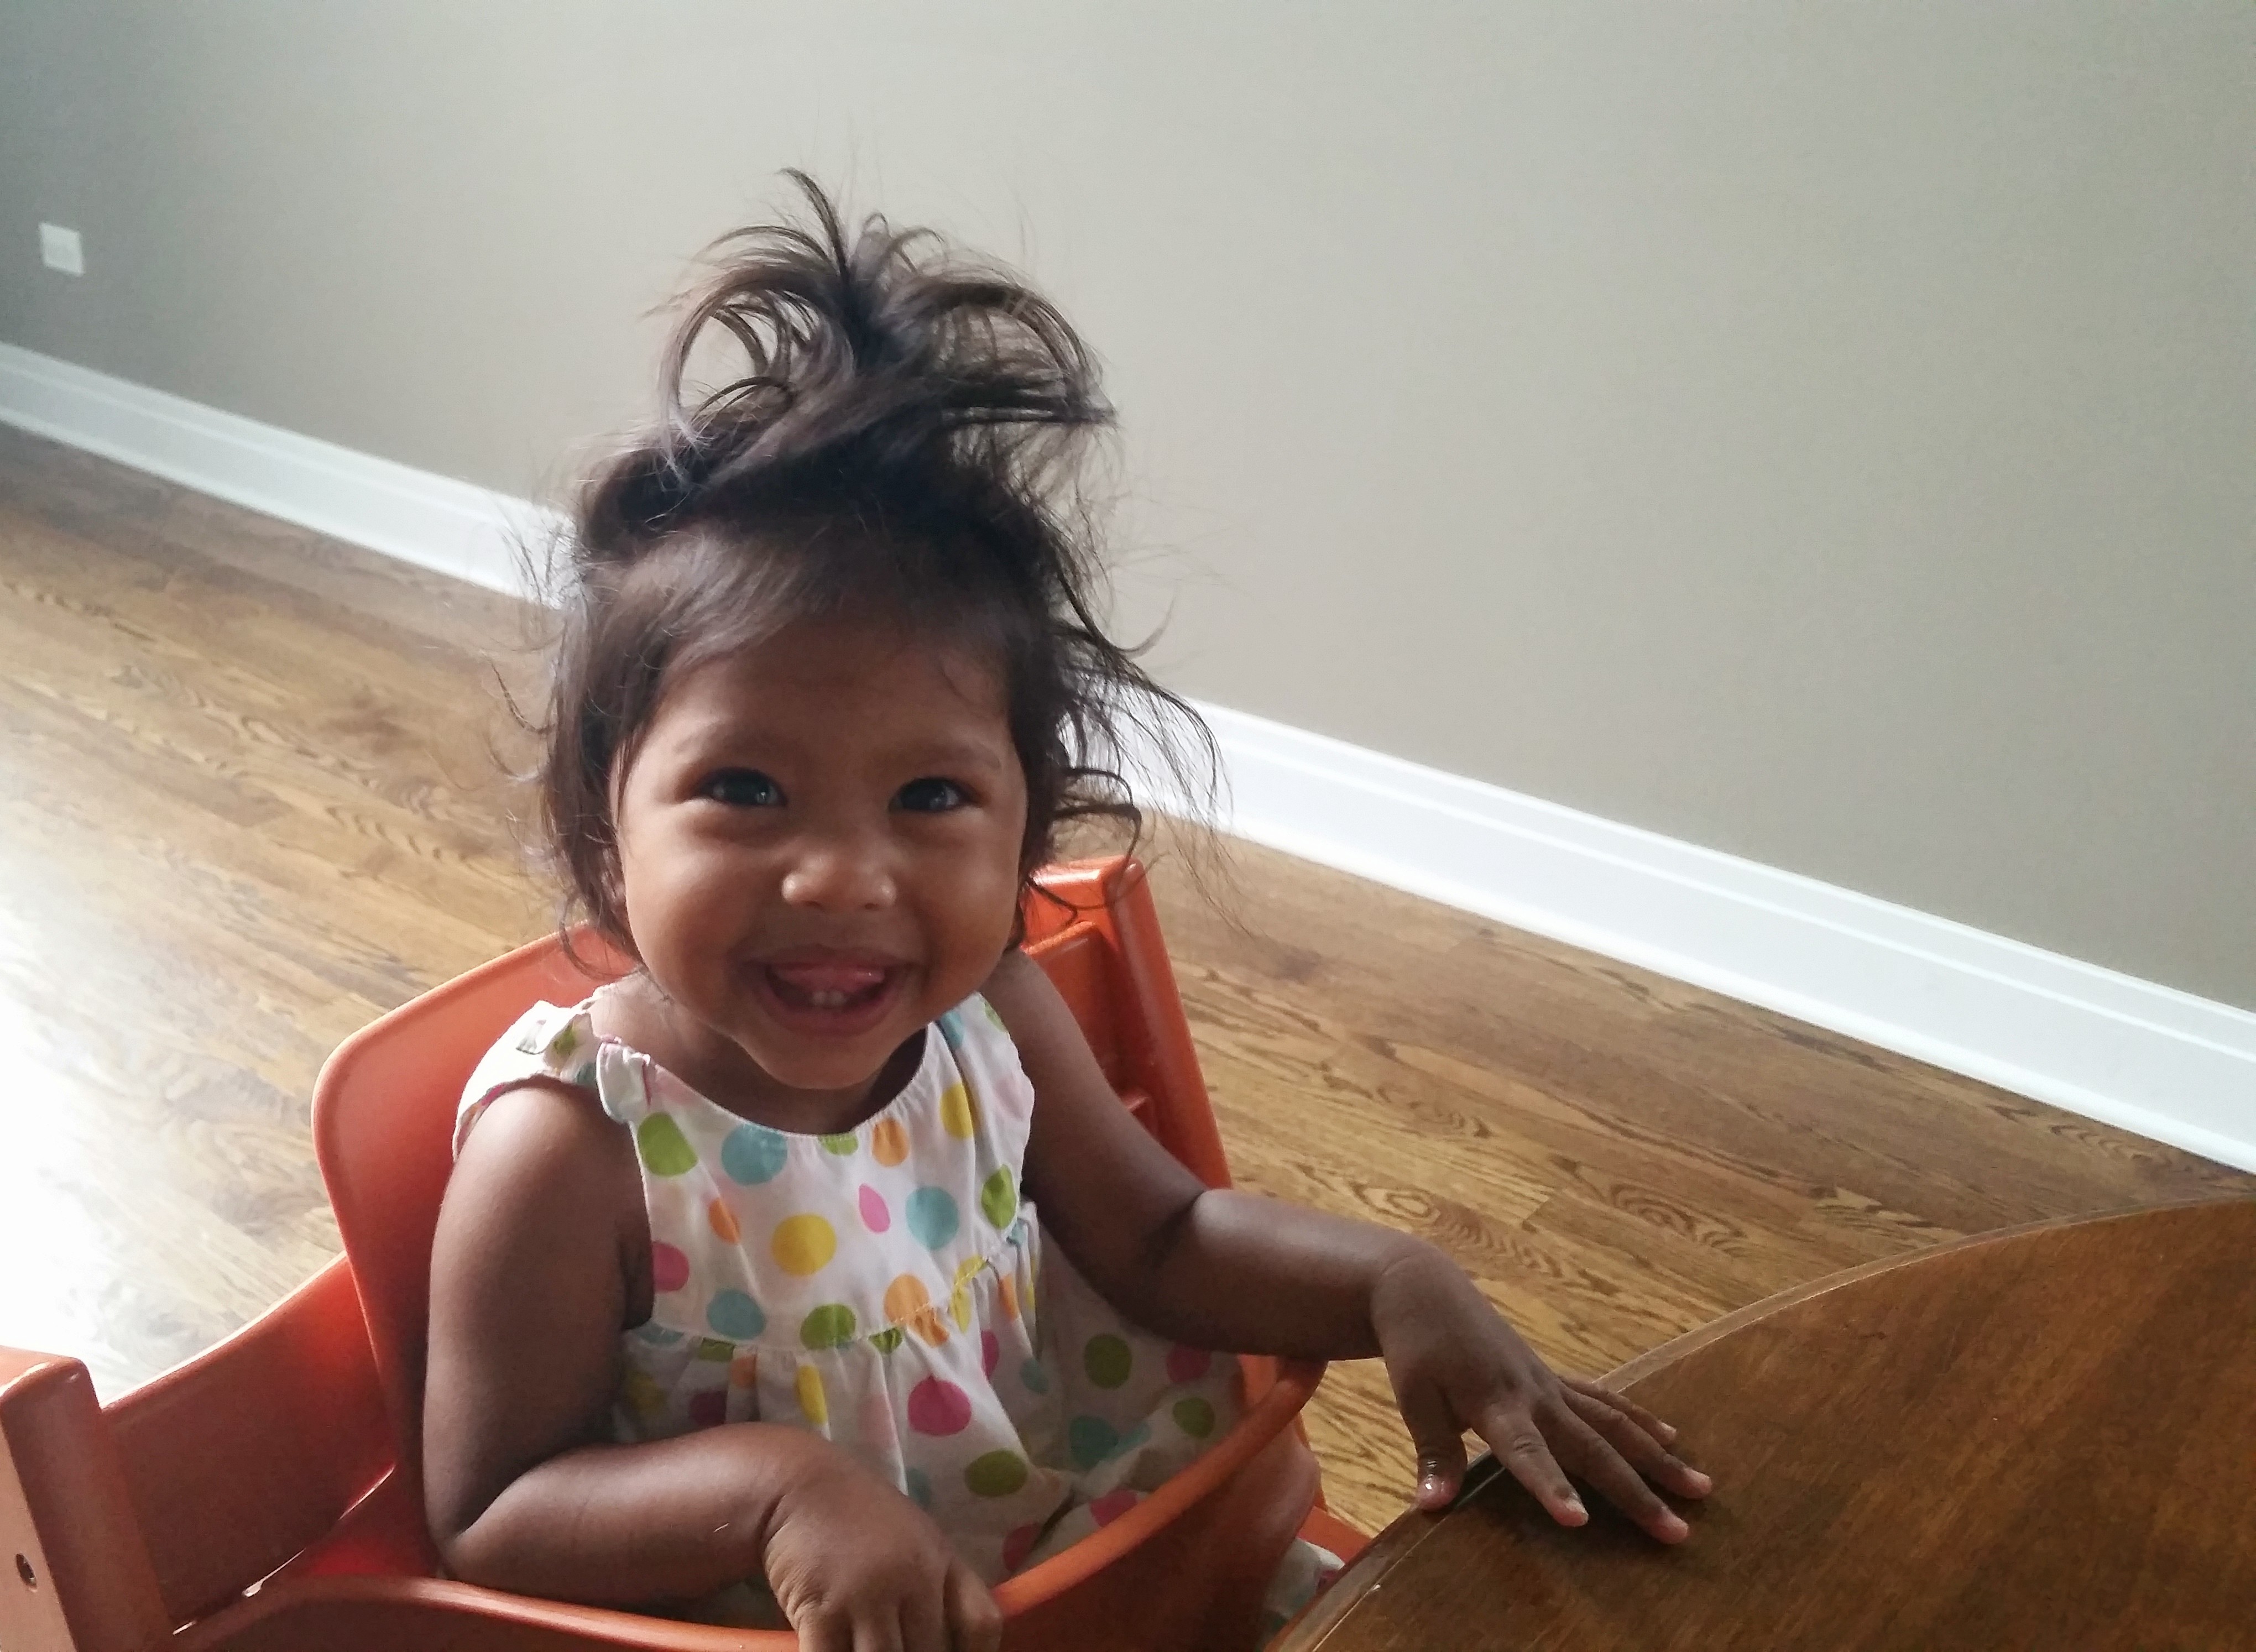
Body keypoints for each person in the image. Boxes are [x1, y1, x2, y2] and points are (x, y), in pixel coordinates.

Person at [422, 175, 1709, 1652]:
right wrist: (780, 1496)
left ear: (1026, 833)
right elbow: (493, 1509)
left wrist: (1394, 1281)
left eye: (930, 796)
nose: (843, 876)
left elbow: (1159, 1237)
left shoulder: (989, 1017)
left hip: (1099, 1575)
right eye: (745, 787)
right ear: (606, 827)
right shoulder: (571, 1146)